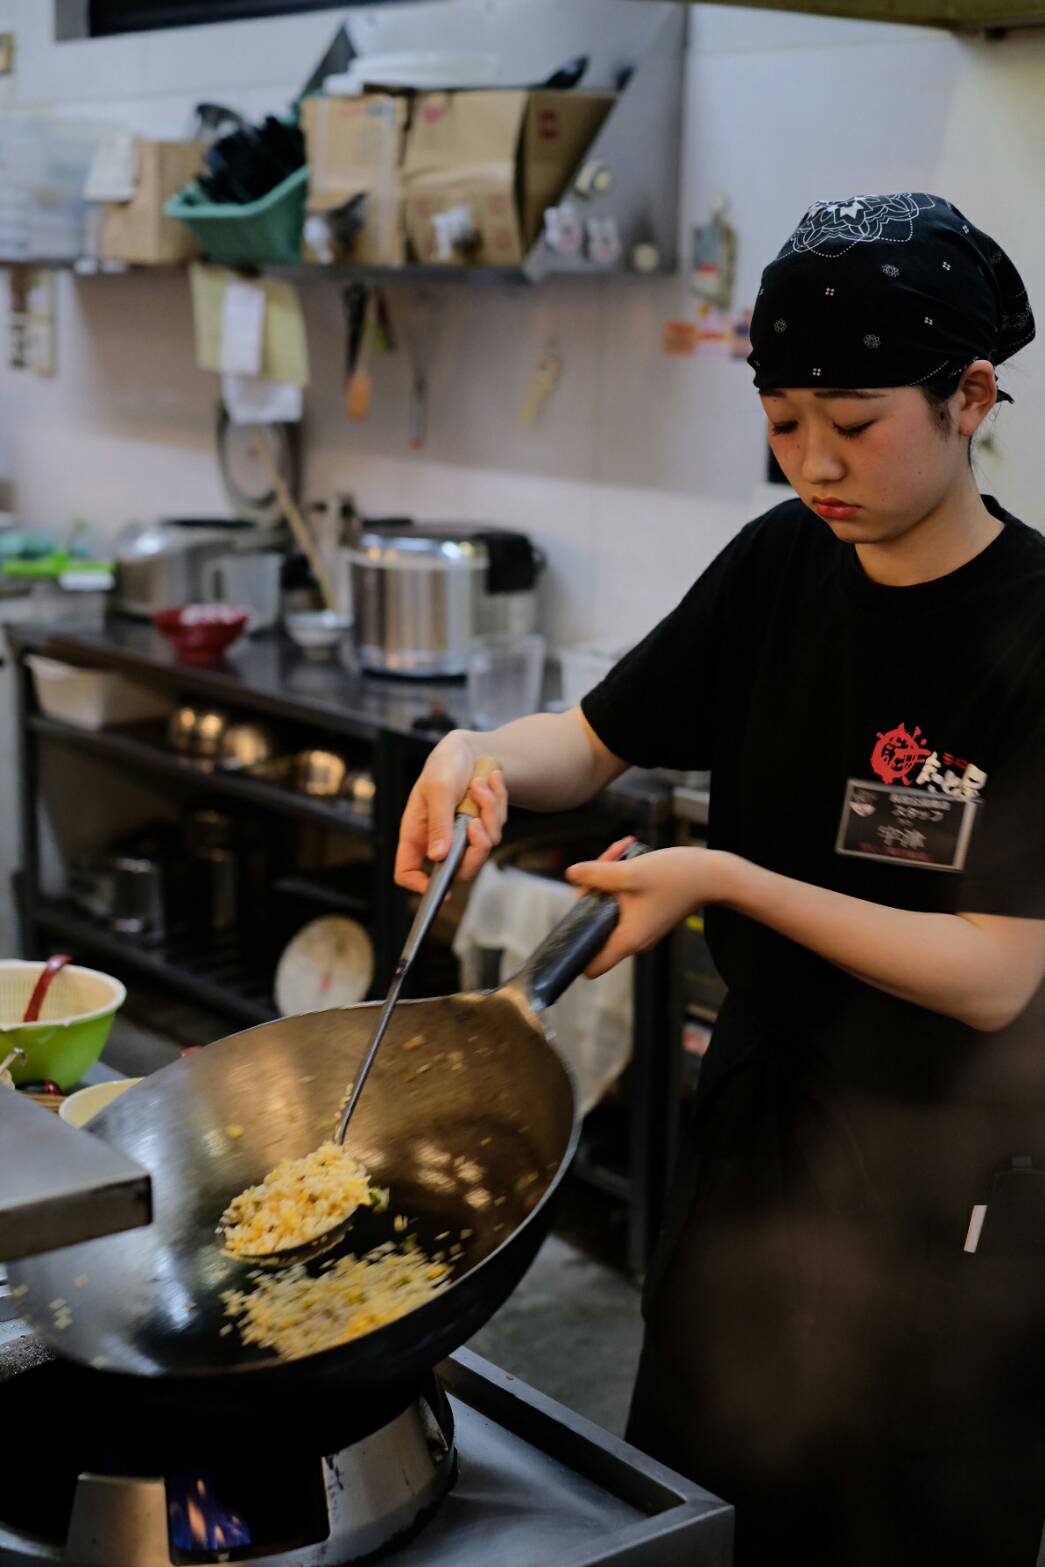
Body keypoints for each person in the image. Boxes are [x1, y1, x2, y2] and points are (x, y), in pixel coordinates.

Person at [394, 193, 1045, 1565]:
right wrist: (478, 752)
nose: (813, 463)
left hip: (952, 1178)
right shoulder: (780, 561)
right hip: (757, 1143)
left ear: (972, 398)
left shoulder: (1033, 635)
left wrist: (727, 880)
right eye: (782, 421)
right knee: (703, 1501)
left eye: (853, 422)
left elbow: (996, 973)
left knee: (895, 1527)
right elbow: (589, 741)